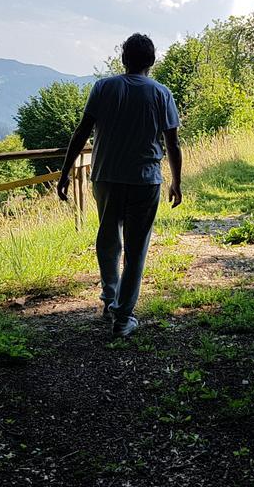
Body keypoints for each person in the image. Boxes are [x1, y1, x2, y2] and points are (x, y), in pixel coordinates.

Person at [57, 33, 183, 338]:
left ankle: (109, 300)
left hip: (105, 176)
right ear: (151, 61)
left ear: (123, 59)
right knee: (136, 248)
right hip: (145, 180)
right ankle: (123, 316)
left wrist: (64, 173)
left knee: (108, 238)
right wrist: (177, 182)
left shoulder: (103, 87)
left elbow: (81, 132)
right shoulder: (161, 93)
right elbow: (173, 143)